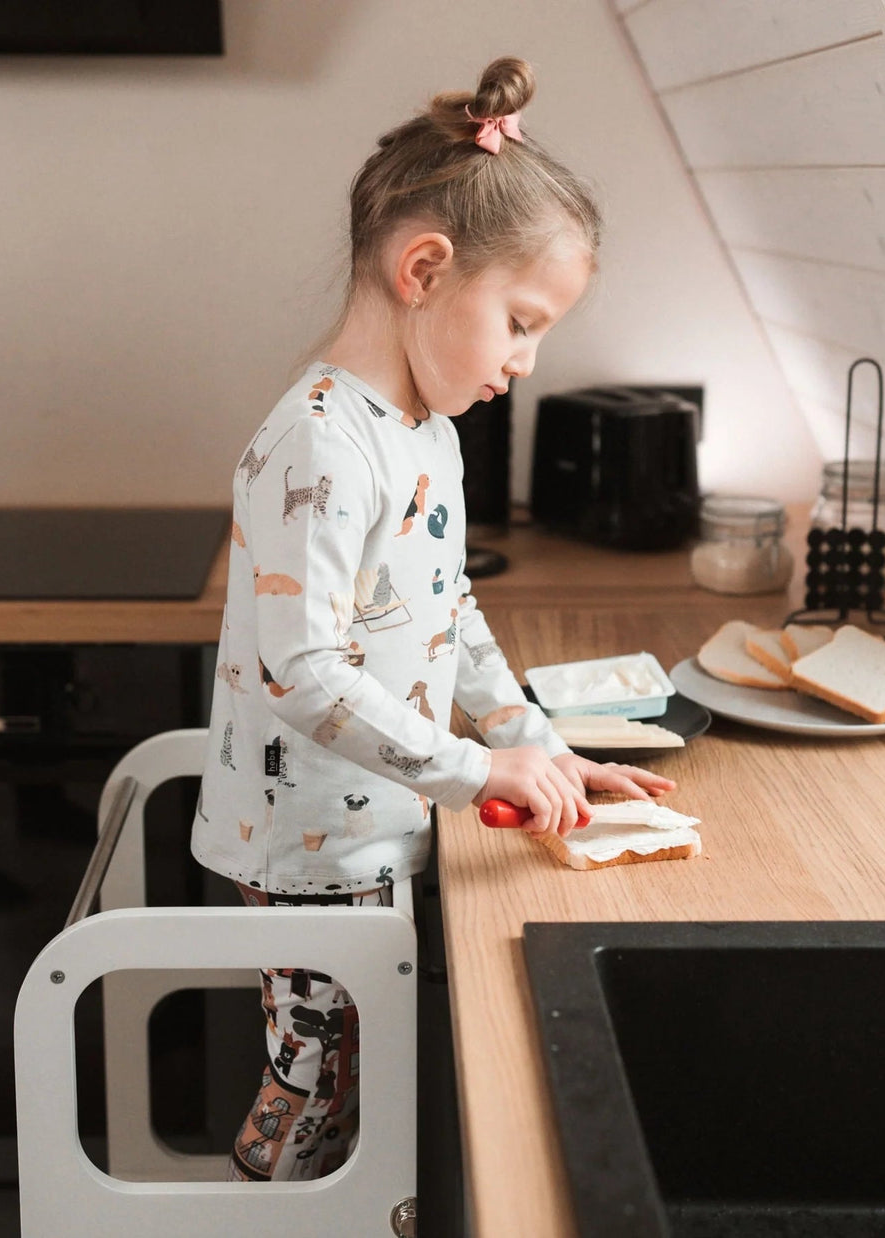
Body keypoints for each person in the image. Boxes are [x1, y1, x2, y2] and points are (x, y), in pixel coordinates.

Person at [191, 55, 677, 1182]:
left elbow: (445, 607)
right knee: (315, 1098)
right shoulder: (320, 439)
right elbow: (301, 673)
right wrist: (474, 771)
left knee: (355, 1092)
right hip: (309, 842)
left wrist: (531, 741)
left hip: (376, 817)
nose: (526, 360)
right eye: (518, 321)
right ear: (423, 268)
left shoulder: (423, 430)